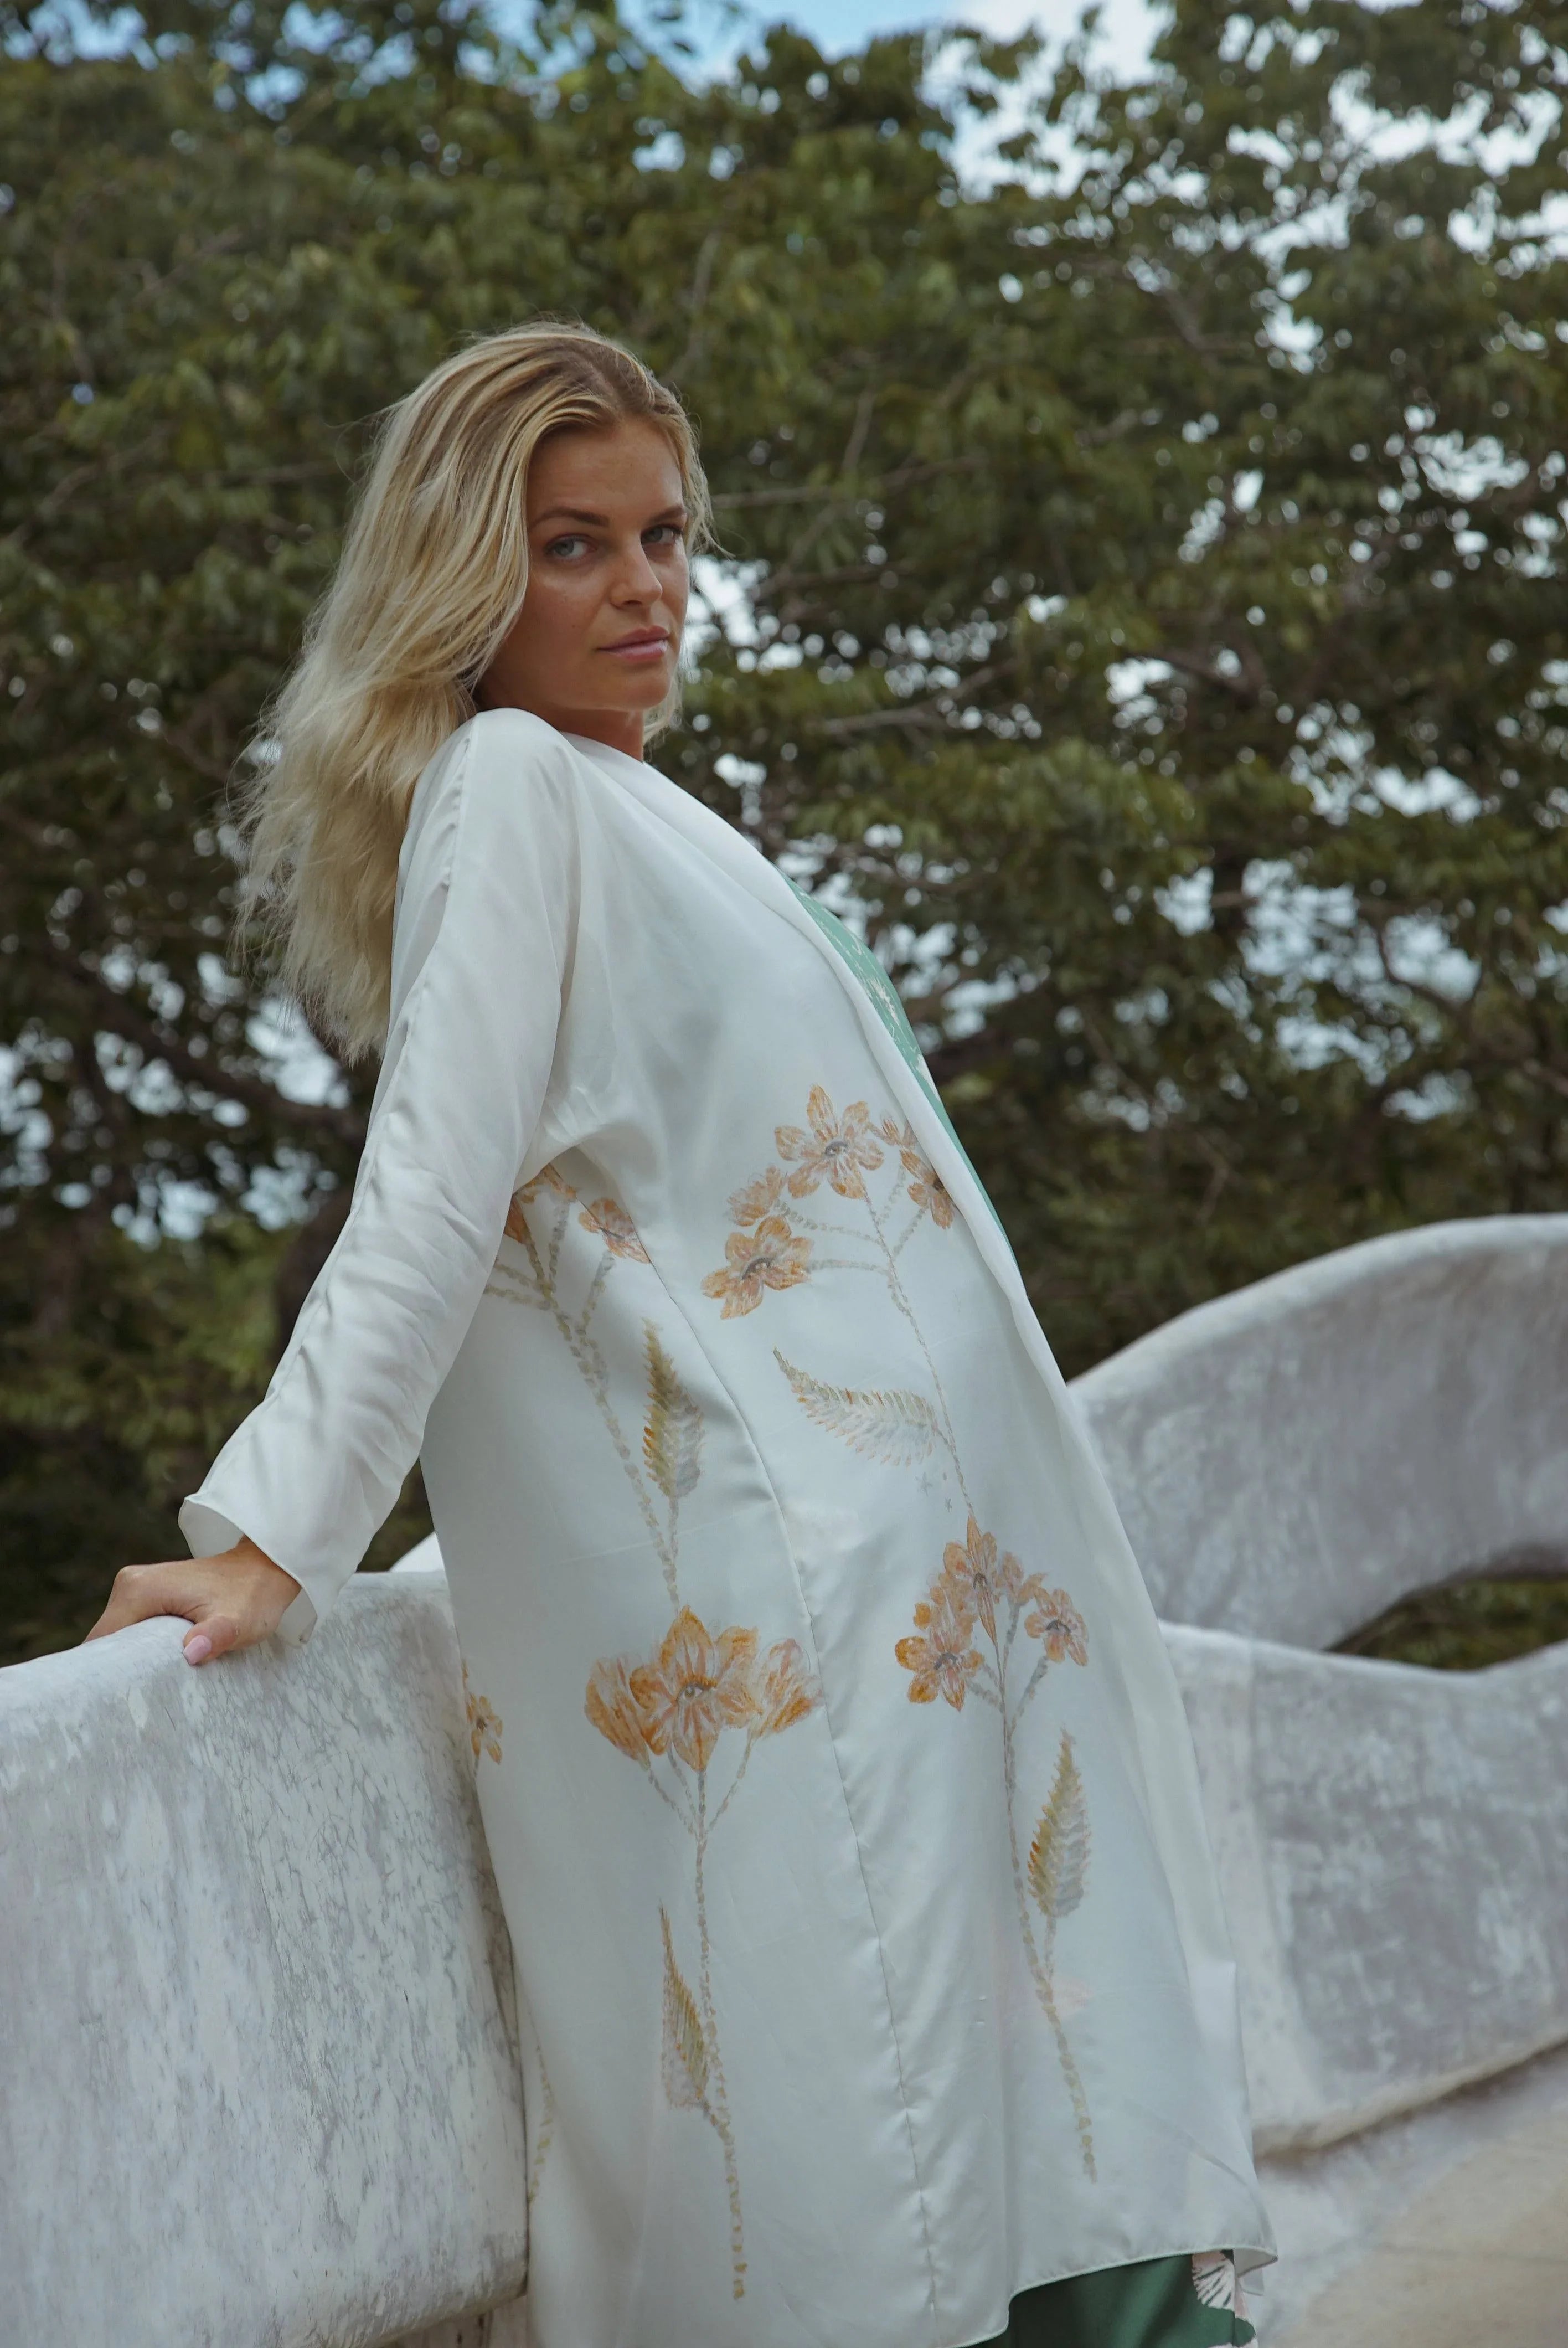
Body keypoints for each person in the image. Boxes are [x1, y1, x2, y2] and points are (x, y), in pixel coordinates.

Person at [88, 322, 1273, 2347]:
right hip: (796, 1632)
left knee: (1002, 2180)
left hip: (909, 1628)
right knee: (904, 2198)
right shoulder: (513, 782)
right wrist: (278, 1533)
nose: (647, 586)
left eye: (667, 535)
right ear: (467, 579)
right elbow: (439, 1198)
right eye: (575, 545)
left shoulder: (652, 814)